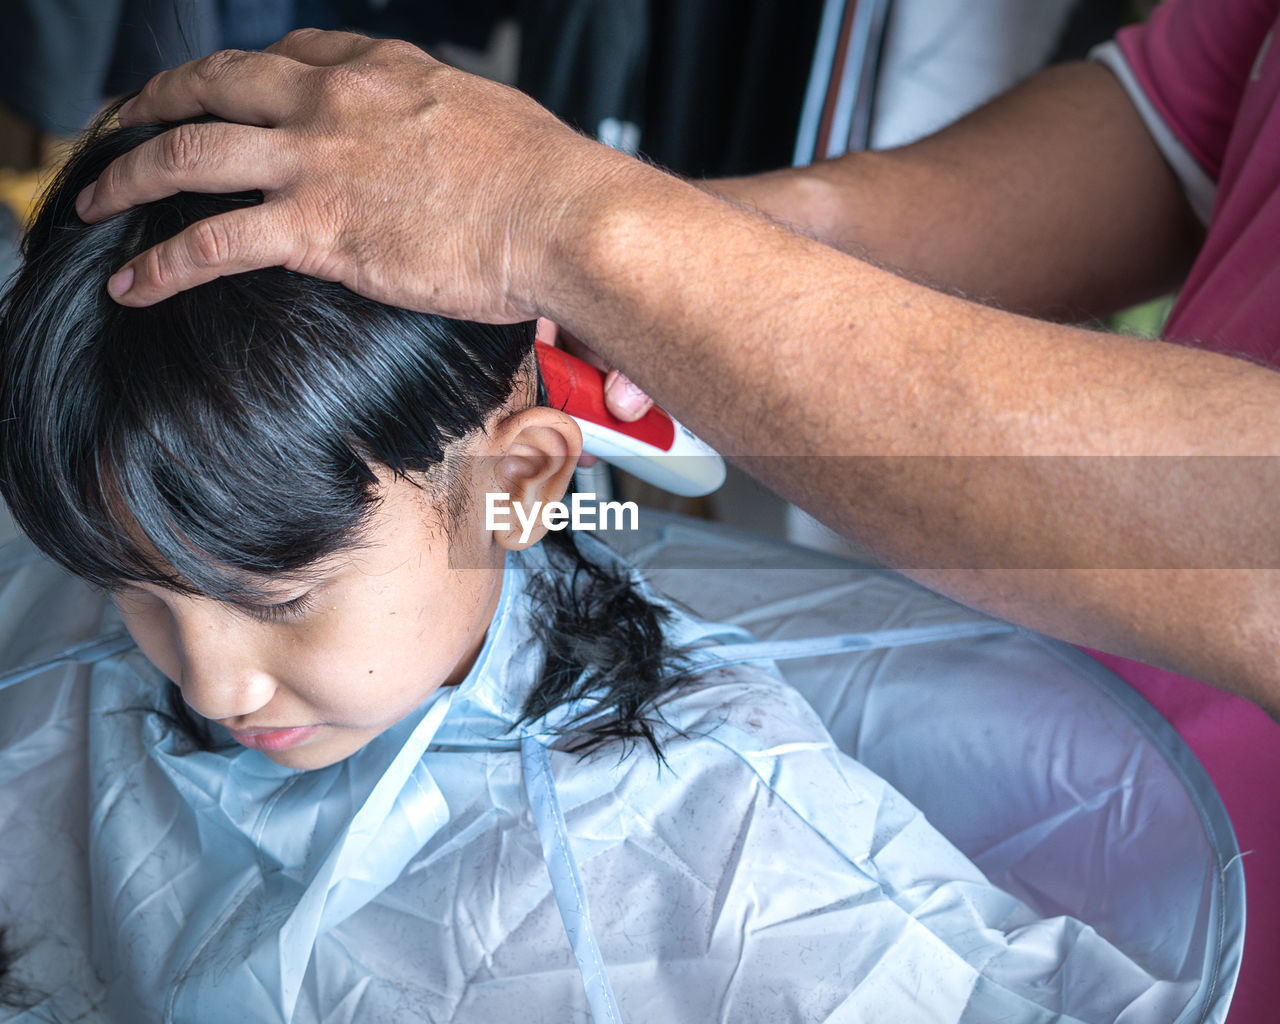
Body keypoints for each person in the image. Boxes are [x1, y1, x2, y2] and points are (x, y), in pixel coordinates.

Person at [0, 107, 1202, 1022]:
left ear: (513, 485)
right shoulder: (103, 613)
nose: (208, 685)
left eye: (281, 600)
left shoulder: (731, 844)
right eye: (138, 593)